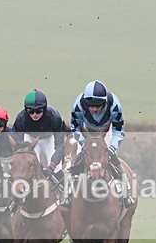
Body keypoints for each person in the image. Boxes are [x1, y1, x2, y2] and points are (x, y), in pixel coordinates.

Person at [64, 79, 134, 208]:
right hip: (86, 131)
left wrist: (112, 147)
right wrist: (85, 144)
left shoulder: (114, 104)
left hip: (106, 131)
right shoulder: (78, 104)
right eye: (91, 104)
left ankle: (126, 190)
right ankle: (67, 194)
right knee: (78, 157)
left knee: (112, 157)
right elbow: (75, 127)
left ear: (105, 101)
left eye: (98, 104)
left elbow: (118, 130)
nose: (94, 108)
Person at [11, 89, 65, 184]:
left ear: (44, 109)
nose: (35, 114)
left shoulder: (54, 117)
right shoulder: (21, 119)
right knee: (28, 167)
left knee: (57, 169)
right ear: (26, 109)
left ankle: (65, 195)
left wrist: (52, 166)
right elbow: (18, 148)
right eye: (31, 111)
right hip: (30, 139)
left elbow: (60, 145)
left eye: (38, 111)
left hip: (49, 138)